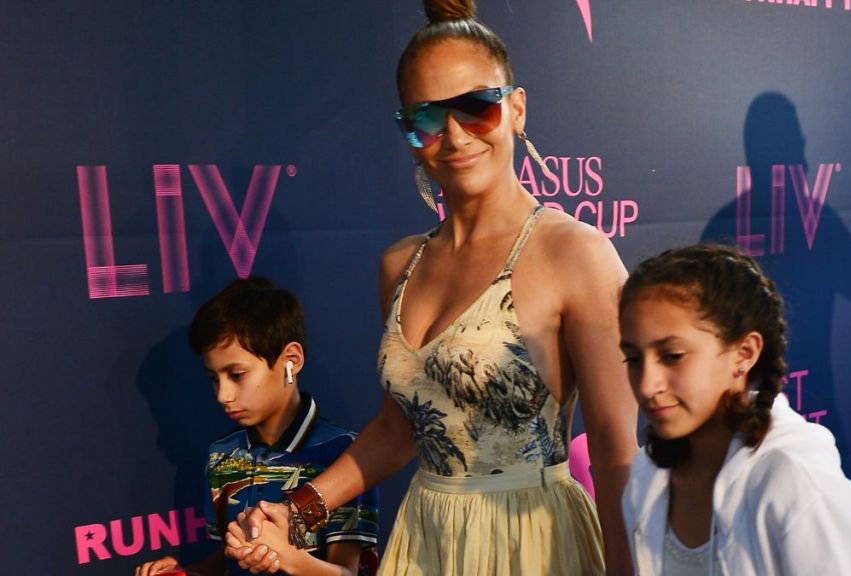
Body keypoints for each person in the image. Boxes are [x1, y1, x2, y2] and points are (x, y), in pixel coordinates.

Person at [223, 1, 638, 575]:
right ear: (407, 132)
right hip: (427, 538)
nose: (455, 135)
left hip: (534, 542)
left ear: (516, 109)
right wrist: (296, 511)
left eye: (477, 108)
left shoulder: (576, 254)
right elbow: (401, 427)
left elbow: (617, 454)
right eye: (426, 118)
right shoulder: (400, 263)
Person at [618, 244, 851, 575]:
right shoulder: (646, 475)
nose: (648, 385)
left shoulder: (795, 483)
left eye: (673, 356)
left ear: (744, 353)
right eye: (633, 359)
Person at [134, 277, 378, 576]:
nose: (223, 395)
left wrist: (289, 558)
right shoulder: (222, 455)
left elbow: (349, 572)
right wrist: (185, 573)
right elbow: (227, 563)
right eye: (213, 378)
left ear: (291, 360)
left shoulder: (344, 455)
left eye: (237, 375)